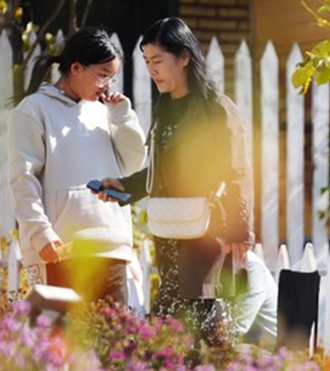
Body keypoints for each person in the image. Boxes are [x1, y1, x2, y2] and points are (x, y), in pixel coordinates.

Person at [96, 17, 254, 345]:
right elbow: (161, 170)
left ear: (184, 57)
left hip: (206, 232)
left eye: (158, 61)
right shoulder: (165, 109)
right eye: (146, 62)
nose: (152, 70)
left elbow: (237, 169)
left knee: (180, 321)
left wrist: (241, 227)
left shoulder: (216, 109)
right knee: (194, 327)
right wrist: (127, 186)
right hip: (169, 231)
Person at [9, 28, 145, 306]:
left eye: (112, 77)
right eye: (103, 74)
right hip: (59, 248)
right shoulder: (34, 109)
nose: (107, 84)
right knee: (59, 342)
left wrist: (123, 117)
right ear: (76, 68)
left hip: (111, 247)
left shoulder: (106, 111)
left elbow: (134, 163)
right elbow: (23, 178)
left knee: (113, 343)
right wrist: (40, 233)